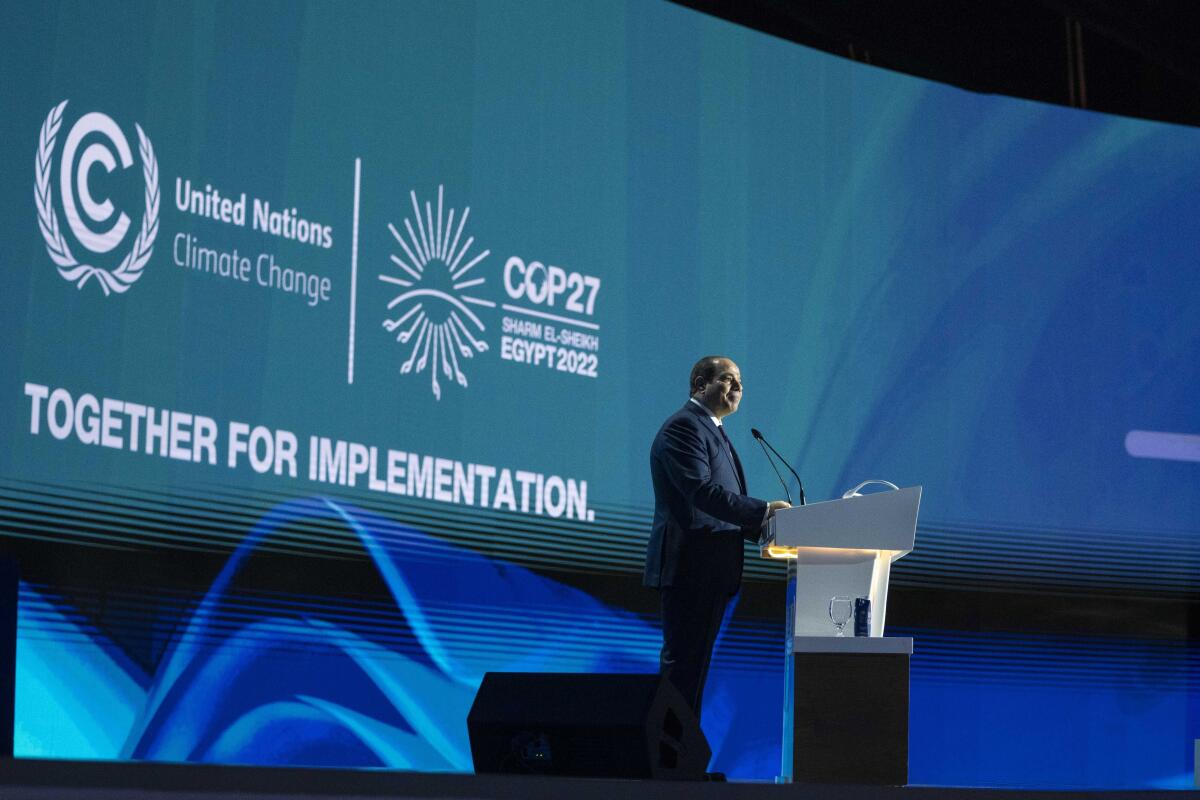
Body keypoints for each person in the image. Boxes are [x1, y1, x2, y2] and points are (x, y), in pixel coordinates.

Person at [643, 355, 790, 719]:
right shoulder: (684, 428)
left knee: (693, 673)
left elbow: (717, 506)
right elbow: (702, 494)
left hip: (709, 571)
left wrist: (764, 529)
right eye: (728, 379)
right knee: (682, 672)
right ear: (699, 384)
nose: (738, 387)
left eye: (740, 380)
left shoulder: (712, 430)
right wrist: (763, 511)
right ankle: (665, 767)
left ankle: (680, 765)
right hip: (690, 569)